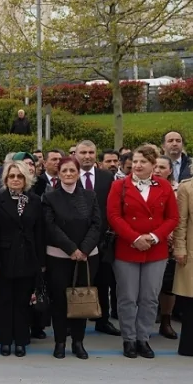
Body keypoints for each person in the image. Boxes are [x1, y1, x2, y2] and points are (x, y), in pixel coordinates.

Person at [107, 144, 179, 359]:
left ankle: (143, 338)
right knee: (127, 296)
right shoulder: (119, 186)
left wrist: (155, 237)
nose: (137, 165)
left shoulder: (164, 187)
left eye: (143, 162)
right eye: (135, 161)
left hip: (155, 251)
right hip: (127, 248)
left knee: (149, 297)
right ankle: (129, 339)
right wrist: (135, 238)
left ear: (153, 165)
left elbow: (173, 218)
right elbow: (113, 216)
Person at [42, 157, 101, 360]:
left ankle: (78, 342)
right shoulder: (50, 198)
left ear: (78, 173)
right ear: (58, 173)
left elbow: (96, 224)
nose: (68, 174)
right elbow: (50, 227)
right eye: (64, 171)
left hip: (86, 258)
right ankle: (60, 342)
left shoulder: (90, 196)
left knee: (81, 299)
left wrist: (83, 249)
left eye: (72, 171)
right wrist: (71, 249)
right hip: (59, 257)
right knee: (59, 300)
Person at [0, 160, 45, 357]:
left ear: (26, 179)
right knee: (4, 301)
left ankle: (21, 340)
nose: (16, 180)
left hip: (28, 257)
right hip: (4, 258)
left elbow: (39, 233)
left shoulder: (35, 201)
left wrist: (41, 262)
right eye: (12, 176)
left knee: (23, 301)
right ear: (6, 179)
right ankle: (4, 340)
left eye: (19, 176)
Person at [77, 140, 122, 337]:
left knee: (103, 281)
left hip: (103, 240)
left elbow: (112, 208)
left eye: (91, 152)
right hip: (76, 240)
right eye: (83, 152)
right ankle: (74, 322)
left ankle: (102, 321)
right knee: (76, 282)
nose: (87, 156)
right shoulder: (69, 175)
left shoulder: (107, 178)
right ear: (76, 154)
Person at [154, 155, 180, 339]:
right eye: (155, 166)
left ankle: (166, 321)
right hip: (150, 242)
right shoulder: (142, 187)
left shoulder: (180, 189)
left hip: (171, 244)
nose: (157, 170)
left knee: (168, 286)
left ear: (170, 170)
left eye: (162, 167)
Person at [173, 174, 193, 355]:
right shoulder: (187, 187)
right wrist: (179, 248)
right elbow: (181, 223)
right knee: (190, 301)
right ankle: (189, 346)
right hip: (191, 251)